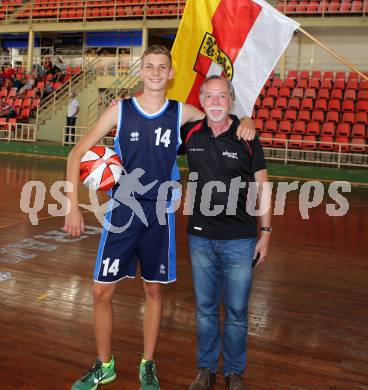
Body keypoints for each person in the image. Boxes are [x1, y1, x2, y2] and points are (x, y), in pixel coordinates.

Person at [63, 45, 255, 390]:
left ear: (170, 74)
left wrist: (246, 120)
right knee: (100, 292)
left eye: (161, 67)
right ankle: (104, 364)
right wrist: (72, 206)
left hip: (159, 216)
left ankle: (147, 364)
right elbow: (76, 153)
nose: (154, 72)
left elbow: (218, 115)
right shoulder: (119, 111)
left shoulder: (181, 112)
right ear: (141, 71)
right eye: (149, 66)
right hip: (122, 211)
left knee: (154, 290)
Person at [183, 76, 272, 390]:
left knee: (236, 312)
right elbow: (158, 118)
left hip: (240, 239)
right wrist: (123, 107)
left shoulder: (247, 135)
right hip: (200, 237)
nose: (216, 102)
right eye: (210, 96)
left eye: (222, 96)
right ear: (202, 100)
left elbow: (262, 186)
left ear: (231, 100)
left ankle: (234, 372)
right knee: (205, 310)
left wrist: (266, 232)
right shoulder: (190, 132)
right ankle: (206, 369)